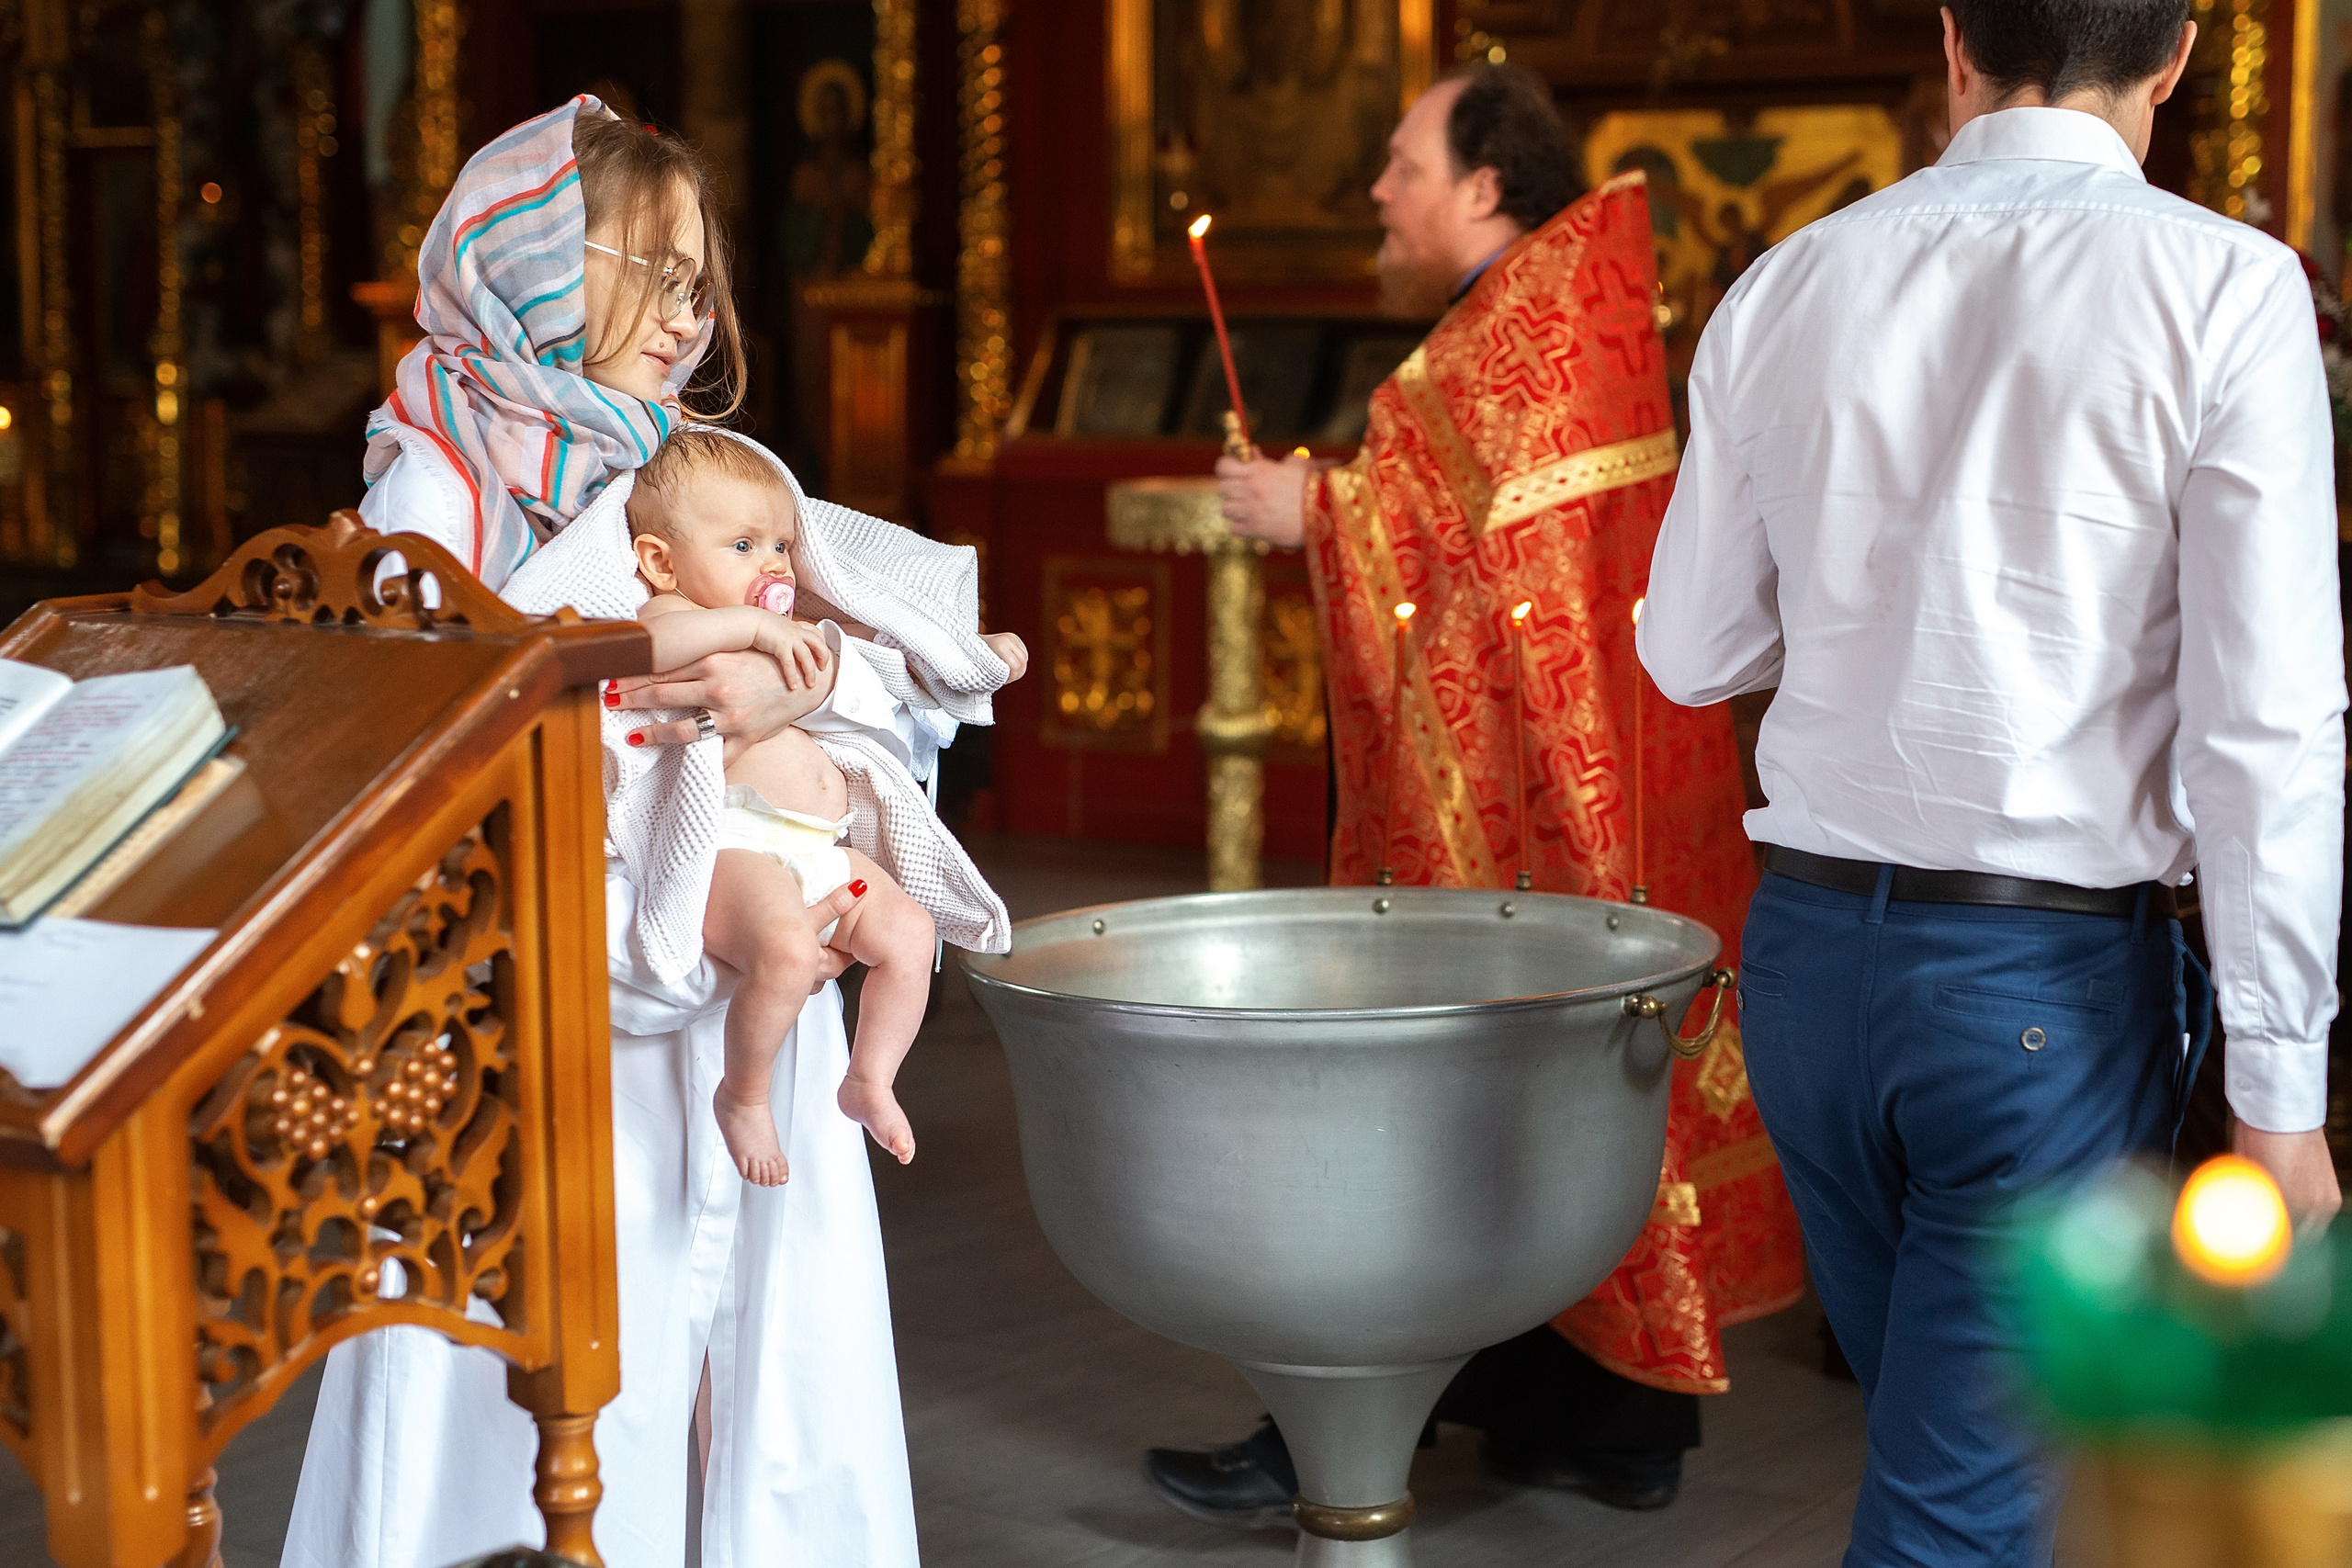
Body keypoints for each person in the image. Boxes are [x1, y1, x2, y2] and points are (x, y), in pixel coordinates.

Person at [1638, 0, 2347, 1557]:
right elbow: (2268, 723)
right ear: (2174, 59)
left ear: (1955, 40)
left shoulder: (1786, 281)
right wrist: (2284, 1093)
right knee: (1966, 1511)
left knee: (1978, 1476)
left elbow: (1690, 650)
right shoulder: (2225, 288)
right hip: (2041, 992)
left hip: (1812, 975)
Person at [282, 97, 950, 1568]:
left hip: (746, 966)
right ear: (534, 265)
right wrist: (627, 692)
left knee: (752, 1372)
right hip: (555, 985)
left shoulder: (696, 459)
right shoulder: (438, 477)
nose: (693, 315)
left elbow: (862, 662)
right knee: (552, 1383)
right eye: (657, 272)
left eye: (703, 280)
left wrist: (814, 677)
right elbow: (416, 737)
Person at [1148, 62, 1806, 1524]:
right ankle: (1573, 1419)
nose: (1379, 191)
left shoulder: (1511, 341)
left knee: (1462, 1064)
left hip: (1539, 800)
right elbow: (1479, 554)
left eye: (1401, 163)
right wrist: (1339, 500)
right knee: (1525, 1075)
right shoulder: (1560, 312)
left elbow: (1456, 561)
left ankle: (1403, 1414)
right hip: (1575, 793)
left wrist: (1306, 505)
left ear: (1487, 184)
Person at [625, 426, 1026, 1179]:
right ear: (660, 560)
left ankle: (870, 1077)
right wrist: (753, 626)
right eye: (742, 545)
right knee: (786, 951)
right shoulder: (671, 616)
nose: (773, 563)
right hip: (741, 845)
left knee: (910, 936)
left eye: (780, 544)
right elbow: (642, 655)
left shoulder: (792, 625)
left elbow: (889, 654)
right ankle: (744, 1095)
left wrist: (970, 654)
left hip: (821, 844)